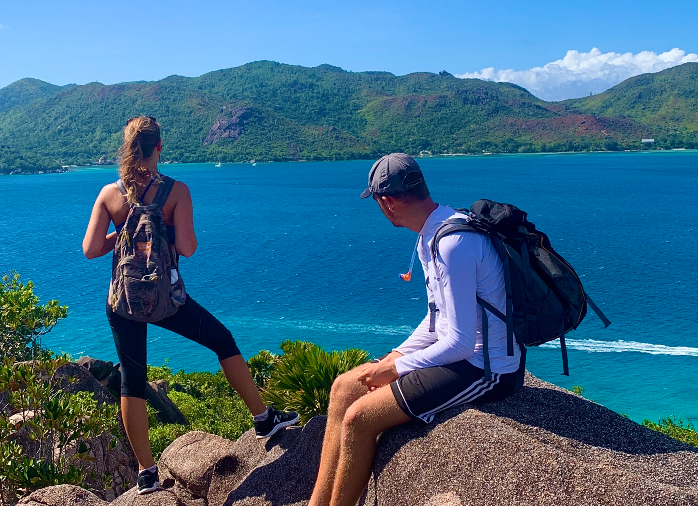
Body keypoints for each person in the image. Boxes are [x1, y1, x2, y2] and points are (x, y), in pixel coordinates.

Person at [82, 116, 299, 495]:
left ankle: (147, 472)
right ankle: (263, 418)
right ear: (159, 147)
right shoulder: (176, 191)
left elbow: (91, 250)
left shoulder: (109, 194)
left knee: (133, 380)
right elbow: (188, 248)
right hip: (166, 298)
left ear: (127, 148)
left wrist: (126, 228)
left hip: (124, 302)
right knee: (223, 340)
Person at [307, 153, 525, 506]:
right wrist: (394, 355)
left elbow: (460, 342)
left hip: (488, 367)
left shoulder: (453, 243)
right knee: (346, 386)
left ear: (387, 202)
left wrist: (392, 368)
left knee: (359, 419)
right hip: (462, 353)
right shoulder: (432, 234)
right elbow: (437, 318)